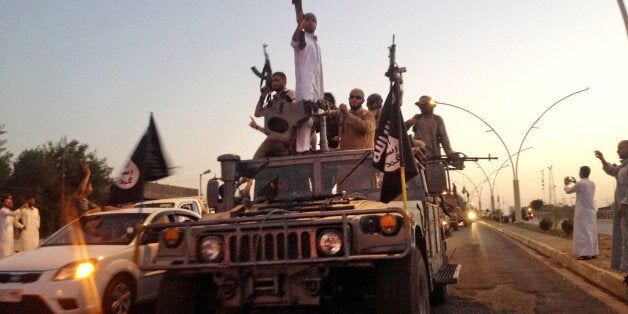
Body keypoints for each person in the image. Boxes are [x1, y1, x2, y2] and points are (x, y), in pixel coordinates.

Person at [291, 12, 324, 153]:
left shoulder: (315, 42)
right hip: (305, 85)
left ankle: (314, 147)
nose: (311, 22)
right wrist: (299, 25)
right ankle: (302, 149)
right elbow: (294, 41)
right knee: (305, 119)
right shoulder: (302, 37)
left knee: (316, 118)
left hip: (317, 85)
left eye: (313, 20)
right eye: (308, 20)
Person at [595, 140, 628, 271]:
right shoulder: (622, 167)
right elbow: (611, 170)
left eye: (620, 148)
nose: (618, 151)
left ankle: (625, 268)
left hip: (625, 208)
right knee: (623, 238)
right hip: (622, 211)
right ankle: (623, 266)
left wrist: (624, 203)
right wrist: (602, 159)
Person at [251, 71, 296, 158]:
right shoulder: (272, 102)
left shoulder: (289, 93)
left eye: (277, 80)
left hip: (291, 136)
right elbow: (257, 113)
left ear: (284, 82)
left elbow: (295, 103)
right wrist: (263, 96)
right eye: (272, 81)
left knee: (257, 157)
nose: (274, 83)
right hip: (279, 139)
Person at [563, 166, 598, 260]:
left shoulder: (581, 184)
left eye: (579, 172)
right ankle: (593, 252)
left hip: (582, 211)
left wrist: (566, 184)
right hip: (591, 211)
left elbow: (568, 191)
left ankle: (585, 253)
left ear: (581, 173)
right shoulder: (592, 183)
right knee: (591, 231)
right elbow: (582, 188)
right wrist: (576, 182)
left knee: (583, 232)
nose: (579, 173)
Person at [404, 95, 454, 160]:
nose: (423, 108)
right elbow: (402, 128)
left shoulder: (437, 119)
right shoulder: (417, 117)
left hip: (434, 156)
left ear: (431, 106)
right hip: (419, 156)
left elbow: (444, 138)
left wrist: (450, 154)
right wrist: (410, 122)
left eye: (425, 106)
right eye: (421, 106)